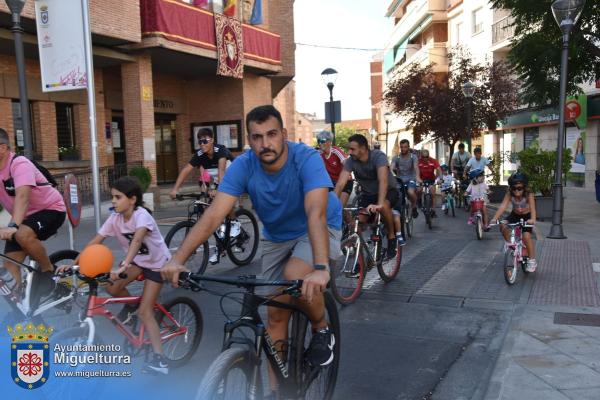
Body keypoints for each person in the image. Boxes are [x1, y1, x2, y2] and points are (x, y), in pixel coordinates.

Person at [159, 105, 342, 395]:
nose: (265, 143)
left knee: (295, 274)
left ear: (283, 134)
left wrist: (321, 268)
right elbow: (213, 216)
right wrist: (177, 259)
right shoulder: (244, 165)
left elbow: (315, 213)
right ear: (248, 139)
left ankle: (322, 328)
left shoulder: (306, 158)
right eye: (256, 137)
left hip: (317, 227)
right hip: (276, 235)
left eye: (271, 134)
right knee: (274, 315)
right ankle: (275, 392)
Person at [57, 177, 171, 374]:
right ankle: (131, 306)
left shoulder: (141, 216)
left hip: (158, 264)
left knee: (146, 312)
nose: (113, 201)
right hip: (138, 263)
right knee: (111, 286)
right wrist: (73, 265)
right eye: (112, 197)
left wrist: (123, 266)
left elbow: (136, 241)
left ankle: (160, 360)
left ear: (132, 199)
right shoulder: (115, 218)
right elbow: (95, 241)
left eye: (118, 197)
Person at [0, 128, 66, 313]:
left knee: (22, 234)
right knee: (9, 270)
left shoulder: (19, 164)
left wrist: (12, 226)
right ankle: (23, 309)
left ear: (3, 148)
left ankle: (47, 270)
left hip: (51, 210)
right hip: (25, 218)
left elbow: (23, 197)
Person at [334, 134, 403, 255]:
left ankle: (392, 238)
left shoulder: (378, 156)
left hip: (388, 191)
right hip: (367, 195)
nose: (350, 152)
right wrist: (332, 204)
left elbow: (383, 181)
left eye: (353, 149)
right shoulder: (351, 161)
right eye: (349, 149)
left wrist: (380, 204)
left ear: (363, 148)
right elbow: (340, 184)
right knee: (357, 224)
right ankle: (360, 263)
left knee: (384, 206)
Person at [490, 172, 537, 273]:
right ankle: (510, 244)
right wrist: (495, 218)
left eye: (519, 188)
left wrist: (532, 219)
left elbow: (533, 209)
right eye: (514, 188)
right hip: (514, 215)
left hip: (526, 217)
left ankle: (532, 260)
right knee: (502, 224)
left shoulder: (529, 194)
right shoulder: (509, 194)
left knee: (526, 236)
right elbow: (503, 206)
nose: (516, 191)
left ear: (524, 187)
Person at [169, 127, 233, 199]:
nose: (202, 144)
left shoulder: (220, 150)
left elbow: (221, 171)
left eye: (205, 141)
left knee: (226, 205)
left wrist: (219, 190)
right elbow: (186, 170)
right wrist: (175, 189)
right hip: (219, 181)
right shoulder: (200, 154)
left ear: (212, 140)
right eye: (200, 142)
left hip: (233, 179)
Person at [317, 130, 352, 207]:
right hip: (331, 183)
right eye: (318, 141)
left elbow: (347, 164)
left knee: (339, 207)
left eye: (322, 141)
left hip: (345, 182)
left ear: (329, 142)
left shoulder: (336, 151)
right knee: (330, 207)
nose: (320, 143)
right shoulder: (319, 154)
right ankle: (350, 219)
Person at [391, 139, 421, 218]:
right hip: (399, 180)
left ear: (408, 147)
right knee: (396, 195)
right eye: (402, 147)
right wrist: (390, 175)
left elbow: (416, 167)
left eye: (405, 147)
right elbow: (391, 167)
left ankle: (414, 207)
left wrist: (417, 177)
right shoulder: (396, 157)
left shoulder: (413, 157)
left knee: (410, 192)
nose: (403, 149)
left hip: (411, 178)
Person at [417, 149, 442, 216]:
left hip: (431, 179)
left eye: (426, 157)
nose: (425, 158)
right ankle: (419, 200)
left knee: (433, 193)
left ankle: (433, 210)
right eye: (423, 157)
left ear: (429, 156)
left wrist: (440, 178)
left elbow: (439, 169)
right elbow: (414, 171)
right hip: (421, 179)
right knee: (419, 190)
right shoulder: (418, 161)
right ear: (421, 156)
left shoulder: (433, 161)